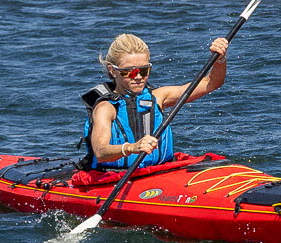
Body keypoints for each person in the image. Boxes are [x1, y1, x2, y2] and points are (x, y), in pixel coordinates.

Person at [81, 30, 231, 172]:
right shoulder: (105, 108)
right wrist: (132, 147)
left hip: (160, 172)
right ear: (113, 71)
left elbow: (212, 82)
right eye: (130, 72)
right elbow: (101, 152)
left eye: (144, 70)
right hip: (115, 176)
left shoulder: (159, 97)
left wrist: (220, 59)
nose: (138, 77)